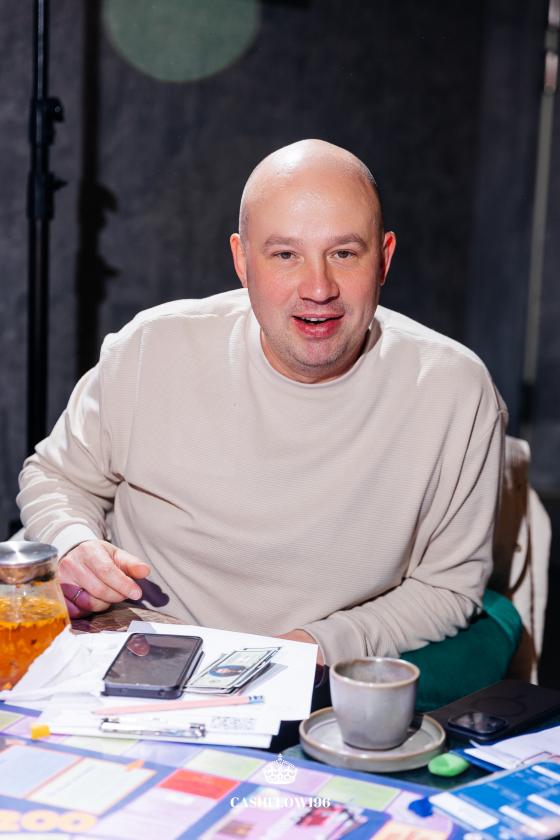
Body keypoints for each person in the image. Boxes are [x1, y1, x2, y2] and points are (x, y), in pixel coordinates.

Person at [17, 139, 507, 669]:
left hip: (314, 679)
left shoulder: (455, 390)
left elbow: (448, 588)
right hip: (136, 652)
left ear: (384, 259)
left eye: (344, 253)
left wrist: (316, 647)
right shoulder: (151, 347)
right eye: (285, 254)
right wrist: (72, 543)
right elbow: (54, 476)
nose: (318, 287)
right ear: (242, 260)